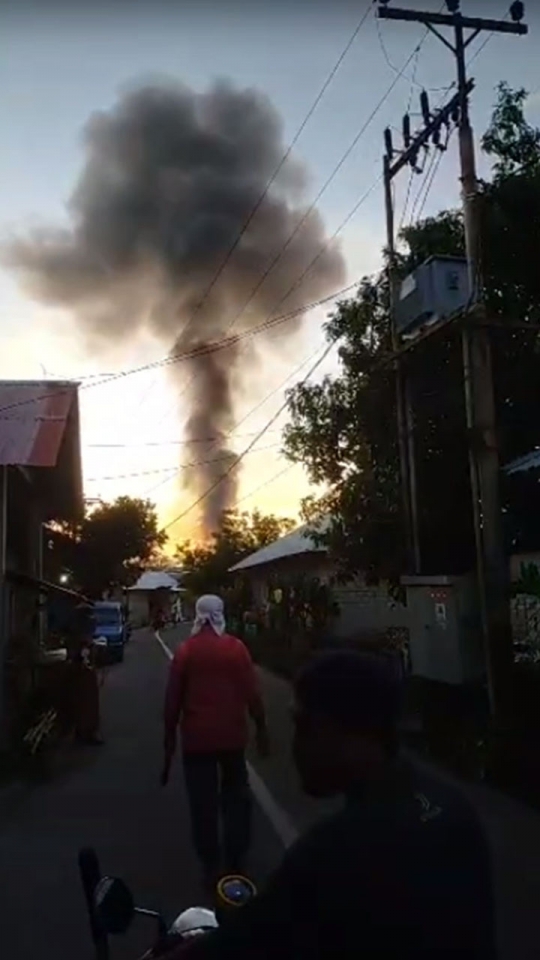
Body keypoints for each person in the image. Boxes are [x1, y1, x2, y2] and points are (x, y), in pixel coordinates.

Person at [164, 649, 496, 960]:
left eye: (307, 727)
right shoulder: (455, 808)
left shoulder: (334, 853)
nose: (296, 746)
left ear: (355, 733)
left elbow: (240, 942)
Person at [162, 594, 269, 887]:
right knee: (236, 799)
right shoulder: (236, 649)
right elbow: (253, 693)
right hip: (232, 738)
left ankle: (211, 866)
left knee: (203, 804)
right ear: (221, 613)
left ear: (198, 614)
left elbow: (172, 701)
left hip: (197, 741)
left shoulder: (186, 651)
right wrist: (261, 729)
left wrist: (169, 743)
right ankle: (236, 861)